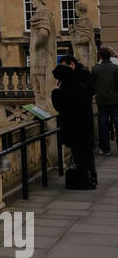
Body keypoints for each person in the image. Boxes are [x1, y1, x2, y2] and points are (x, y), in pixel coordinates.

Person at [51, 58, 96, 189]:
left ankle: (85, 179)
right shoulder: (78, 82)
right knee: (85, 151)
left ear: (72, 64)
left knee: (80, 152)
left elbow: (59, 105)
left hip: (74, 124)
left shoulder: (71, 83)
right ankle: (89, 178)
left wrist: (55, 92)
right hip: (84, 120)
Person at [92, 46, 118, 154]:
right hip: (115, 100)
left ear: (101, 57)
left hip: (101, 100)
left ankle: (105, 149)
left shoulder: (95, 68)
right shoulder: (116, 68)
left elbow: (92, 85)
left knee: (103, 125)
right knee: (117, 122)